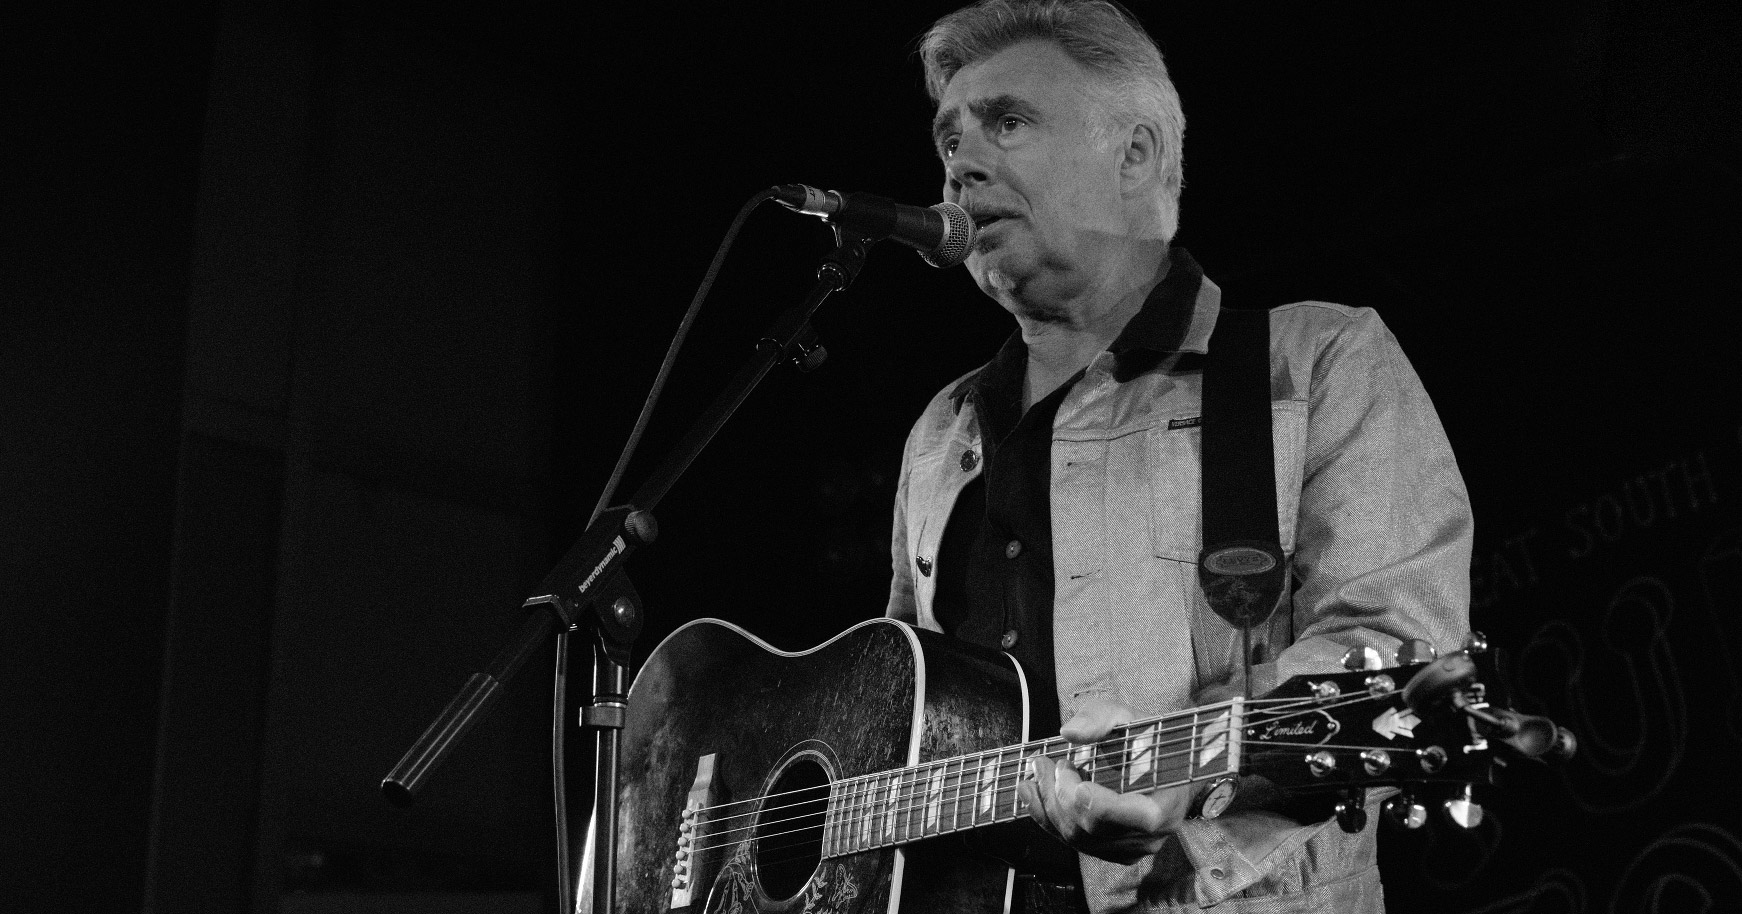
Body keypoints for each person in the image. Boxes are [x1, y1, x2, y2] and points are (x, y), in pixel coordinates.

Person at [883, 1, 1473, 911]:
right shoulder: (941, 431)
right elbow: (894, 708)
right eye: (949, 136)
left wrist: (1180, 788)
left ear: (1137, 153)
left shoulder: (1316, 363)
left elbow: (1398, 645)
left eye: (1006, 121)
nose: (959, 164)